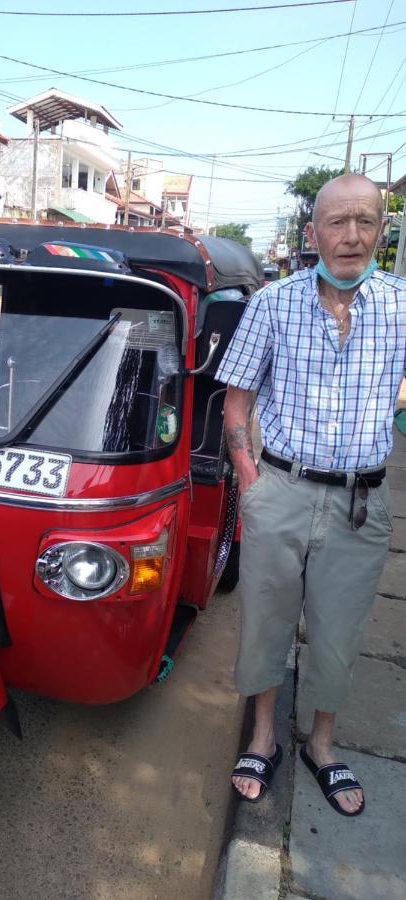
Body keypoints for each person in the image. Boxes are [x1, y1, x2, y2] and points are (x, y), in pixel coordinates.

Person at [215, 173, 406, 816]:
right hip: (283, 490)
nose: (350, 236)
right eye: (336, 222)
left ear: (382, 231)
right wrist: (251, 483)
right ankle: (264, 735)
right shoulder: (273, 303)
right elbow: (236, 397)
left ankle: (322, 746)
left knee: (338, 630)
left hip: (361, 502)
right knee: (267, 619)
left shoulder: (402, 305)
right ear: (312, 232)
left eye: (364, 222)